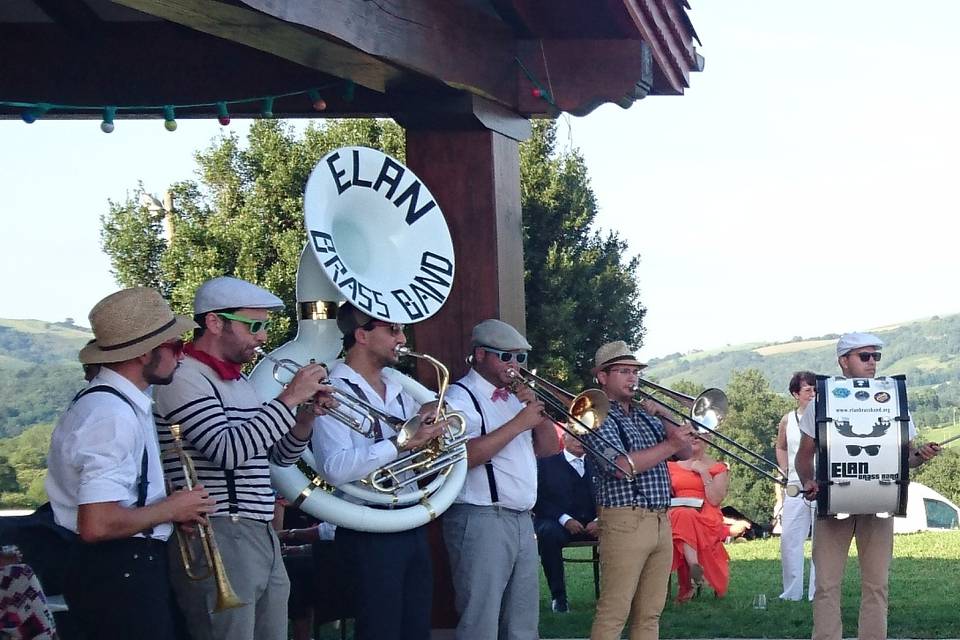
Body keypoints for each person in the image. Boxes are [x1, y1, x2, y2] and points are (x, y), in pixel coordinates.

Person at [153, 276, 333, 640]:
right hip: (220, 528)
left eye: (264, 326)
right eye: (254, 326)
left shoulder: (239, 383)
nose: (263, 337)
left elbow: (278, 456)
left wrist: (305, 417)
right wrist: (288, 400)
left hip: (258, 529)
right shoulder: (185, 377)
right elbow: (227, 451)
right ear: (216, 322)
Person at [45, 287, 215, 640]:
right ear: (144, 354)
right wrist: (170, 509)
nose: (182, 357)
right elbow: (97, 524)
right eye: (175, 346)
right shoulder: (113, 415)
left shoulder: (112, 404)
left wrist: (167, 511)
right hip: (120, 570)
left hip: (119, 568)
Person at [312, 303, 446, 640]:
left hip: (409, 519)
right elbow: (334, 468)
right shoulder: (333, 390)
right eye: (393, 330)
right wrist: (401, 443)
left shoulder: (401, 388)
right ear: (362, 335)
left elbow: (462, 424)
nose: (402, 338)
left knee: (416, 629)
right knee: (380, 629)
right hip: (366, 526)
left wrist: (435, 416)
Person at [795, 332, 941, 640]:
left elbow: (906, 458)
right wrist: (808, 479)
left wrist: (921, 457)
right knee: (826, 585)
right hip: (832, 501)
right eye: (865, 356)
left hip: (878, 503)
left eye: (875, 356)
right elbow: (804, 455)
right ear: (843, 361)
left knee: (877, 585)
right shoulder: (818, 404)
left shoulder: (894, 401)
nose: (872, 362)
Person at [443, 319, 561, 640]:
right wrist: (519, 423)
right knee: (480, 620)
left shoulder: (513, 397)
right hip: (481, 518)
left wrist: (536, 413)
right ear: (480, 354)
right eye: (506, 357)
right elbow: (461, 457)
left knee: (523, 622)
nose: (515, 366)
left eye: (520, 358)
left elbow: (549, 448)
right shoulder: (459, 396)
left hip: (522, 519)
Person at [581, 341, 696, 640]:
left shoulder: (646, 415)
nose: (633, 378)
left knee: (650, 613)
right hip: (623, 520)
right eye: (623, 371)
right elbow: (619, 466)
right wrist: (669, 444)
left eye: (635, 372)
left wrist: (666, 416)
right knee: (614, 611)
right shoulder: (596, 414)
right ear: (602, 377)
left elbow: (686, 452)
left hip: (659, 519)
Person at [533, 430, 598, 613]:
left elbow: (609, 494)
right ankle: (559, 598)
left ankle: (616, 596)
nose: (580, 441)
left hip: (595, 522)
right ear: (564, 438)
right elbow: (538, 499)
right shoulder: (546, 465)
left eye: (585, 437)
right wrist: (565, 519)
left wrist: (599, 519)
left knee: (623, 528)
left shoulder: (598, 464)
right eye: (575, 436)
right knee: (547, 533)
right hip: (558, 523)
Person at [667, 437, 731, 602]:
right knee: (683, 515)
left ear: (707, 439)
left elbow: (715, 500)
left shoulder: (718, 468)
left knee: (686, 516)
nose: (694, 438)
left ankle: (690, 582)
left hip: (706, 513)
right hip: (676, 512)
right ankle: (693, 567)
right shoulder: (670, 466)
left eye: (698, 434)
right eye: (690, 434)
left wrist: (704, 473)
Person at [775, 370, 817, 601]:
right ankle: (791, 592)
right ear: (795, 394)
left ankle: (816, 592)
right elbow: (780, 447)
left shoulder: (825, 416)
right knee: (790, 536)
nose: (812, 394)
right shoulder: (787, 419)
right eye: (807, 390)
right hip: (794, 483)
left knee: (822, 539)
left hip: (821, 482)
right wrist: (785, 470)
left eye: (815, 390)